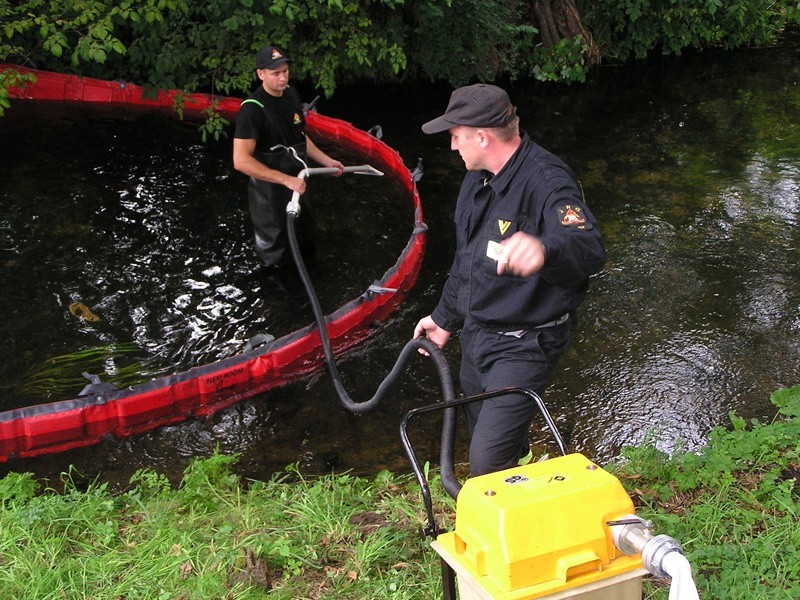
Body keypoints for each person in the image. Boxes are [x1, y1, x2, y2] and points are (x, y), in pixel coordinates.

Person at [413, 83, 607, 477]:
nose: (452, 146)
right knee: (495, 447)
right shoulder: (477, 178)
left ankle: (508, 527)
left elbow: (588, 247)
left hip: (525, 344)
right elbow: (467, 260)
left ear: (481, 136)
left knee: (485, 465)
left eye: (455, 136)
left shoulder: (548, 181)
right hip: (477, 338)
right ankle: (519, 506)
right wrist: (445, 318)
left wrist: (545, 250)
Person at [233, 45, 343, 280]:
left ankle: (313, 281)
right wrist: (286, 180)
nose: (282, 78)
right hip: (270, 196)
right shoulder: (252, 111)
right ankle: (282, 299)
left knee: (306, 239)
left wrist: (328, 161)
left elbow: (300, 138)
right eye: (275, 73)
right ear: (260, 74)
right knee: (278, 255)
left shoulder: (291, 95)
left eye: (285, 71)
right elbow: (240, 160)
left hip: (298, 186)